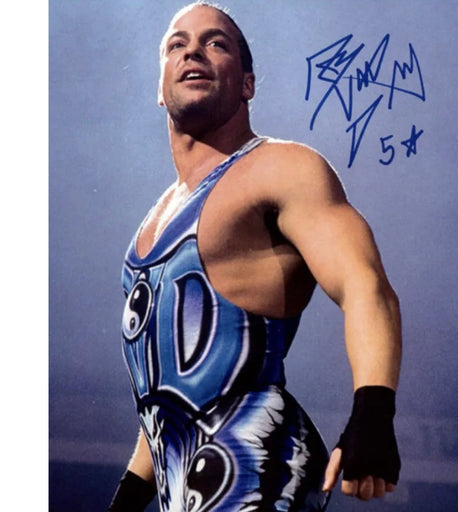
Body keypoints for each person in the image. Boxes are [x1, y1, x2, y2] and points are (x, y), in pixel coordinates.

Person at [109, 2, 402, 511]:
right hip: (188, 487)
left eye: (215, 42)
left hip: (253, 465)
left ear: (247, 83)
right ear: (160, 87)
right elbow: (173, 392)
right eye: (177, 44)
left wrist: (373, 411)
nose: (193, 51)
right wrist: (130, 498)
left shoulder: (282, 169)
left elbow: (364, 284)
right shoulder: (150, 228)